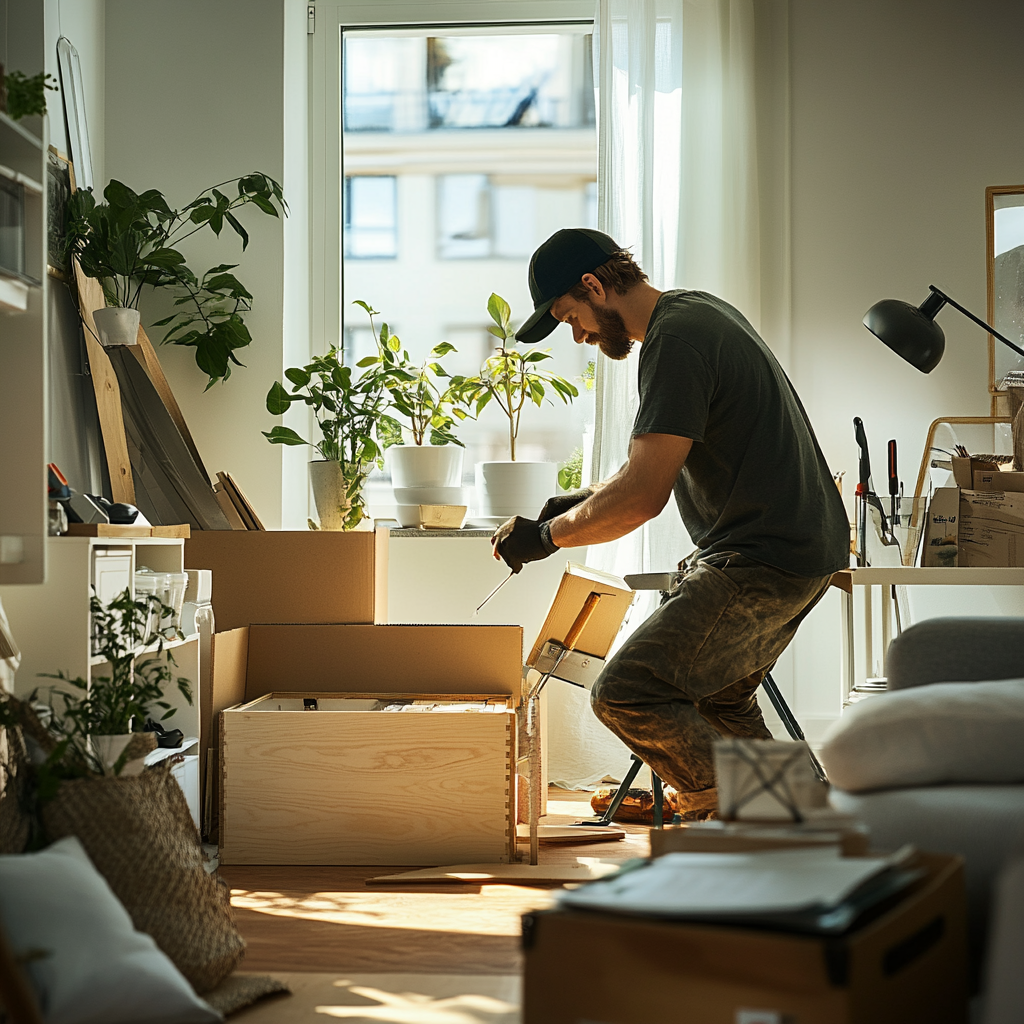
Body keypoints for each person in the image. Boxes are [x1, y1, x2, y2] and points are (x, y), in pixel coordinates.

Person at [491, 227, 849, 818]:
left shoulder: (674, 342)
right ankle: (810, 824)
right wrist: (572, 503)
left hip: (762, 555)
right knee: (719, 703)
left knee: (628, 692)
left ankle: (762, 825)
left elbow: (641, 498)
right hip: (800, 548)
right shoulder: (696, 313)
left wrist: (548, 537)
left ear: (593, 285)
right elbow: (654, 464)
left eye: (569, 316)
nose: (578, 336)